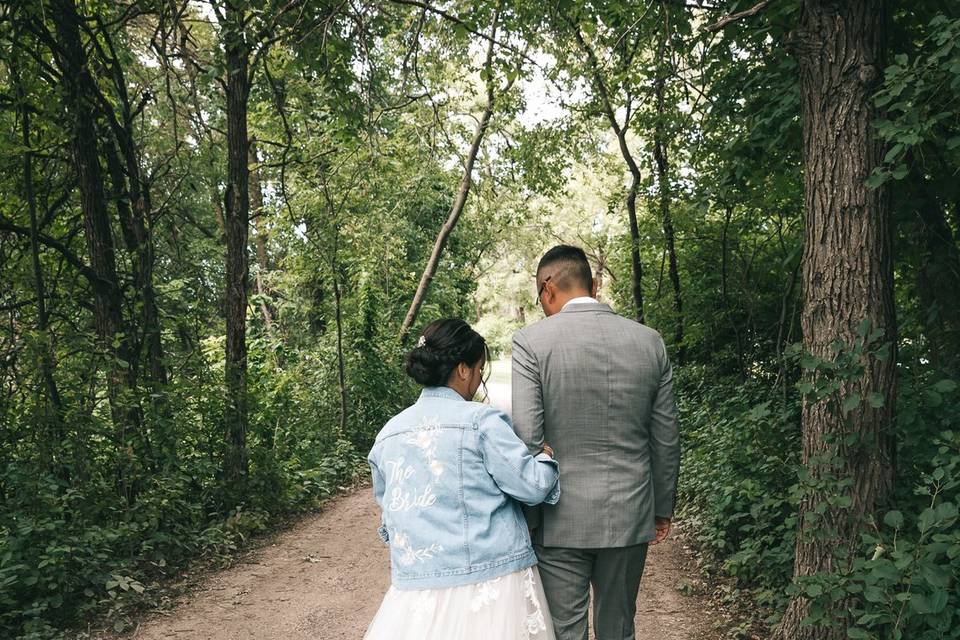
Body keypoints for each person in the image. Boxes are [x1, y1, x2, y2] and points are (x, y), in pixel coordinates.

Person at [511, 245, 681, 640]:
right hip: (629, 510)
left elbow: (527, 438)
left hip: (558, 518)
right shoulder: (649, 341)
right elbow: (666, 435)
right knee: (618, 628)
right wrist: (661, 508)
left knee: (565, 631)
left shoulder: (530, 343)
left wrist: (529, 517)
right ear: (596, 283)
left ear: (547, 289)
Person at [365, 318, 561, 640]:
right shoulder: (481, 422)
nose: (478, 378)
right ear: (463, 369)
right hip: (491, 583)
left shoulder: (388, 435)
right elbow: (531, 486)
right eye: (480, 368)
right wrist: (545, 459)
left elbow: (391, 519)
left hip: (418, 591)